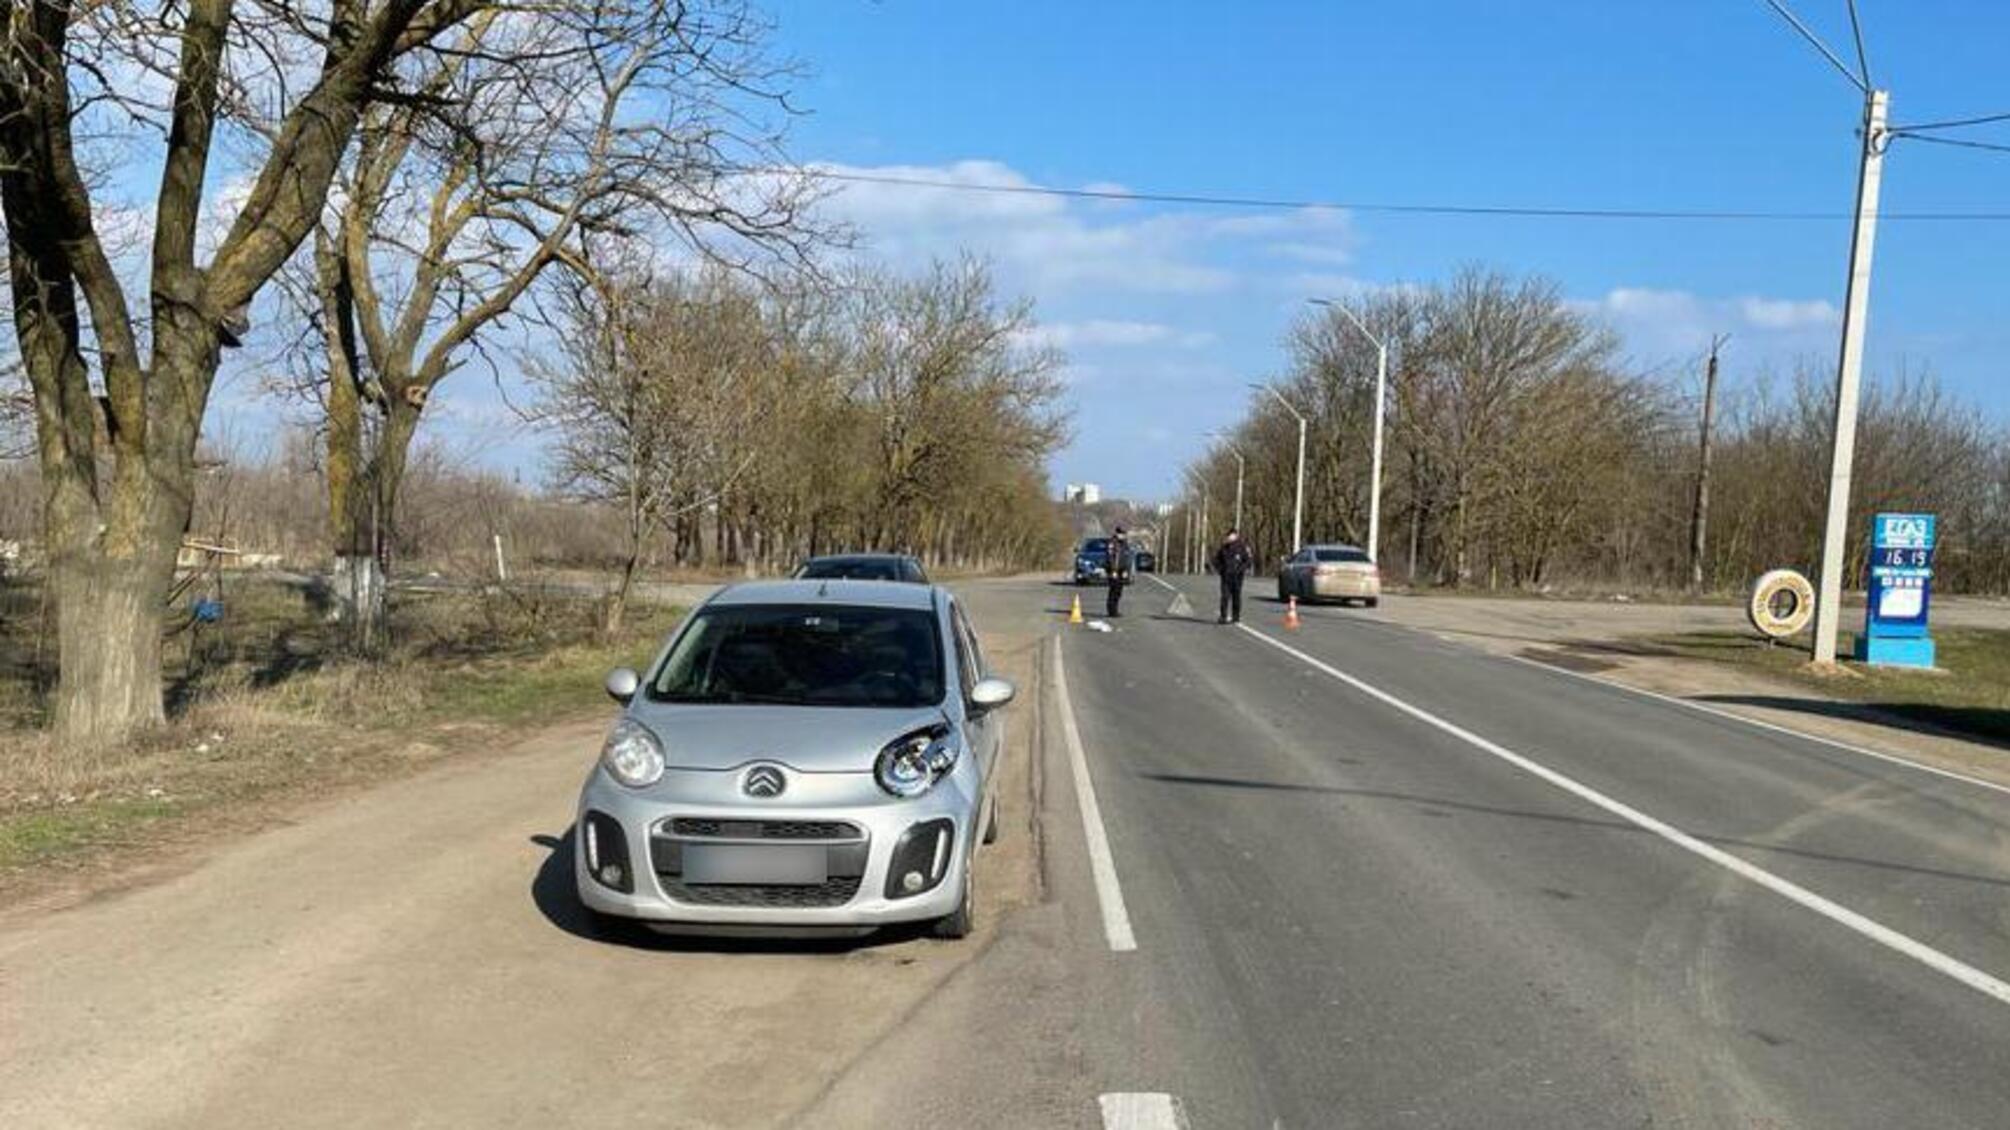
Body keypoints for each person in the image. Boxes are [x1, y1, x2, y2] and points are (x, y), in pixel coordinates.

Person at [1213, 528, 1253, 624]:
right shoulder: (1224, 548)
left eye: (1232, 535)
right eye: (1229, 535)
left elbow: (1248, 561)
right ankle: (1223, 616)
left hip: (1237, 577)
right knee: (1225, 597)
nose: (1229, 537)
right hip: (1226, 577)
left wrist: (1241, 570)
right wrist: (1221, 570)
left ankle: (1236, 617)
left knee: (1236, 597)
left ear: (1236, 536)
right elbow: (1216, 560)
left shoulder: (1242, 547)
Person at [1103, 527, 1134, 618]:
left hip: (1121, 570)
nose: (1123, 536)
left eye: (1124, 534)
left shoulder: (1125, 544)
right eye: (1121, 534)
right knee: (1114, 590)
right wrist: (1113, 570)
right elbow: (1110, 558)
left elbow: (1127, 558)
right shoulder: (1112, 543)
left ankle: (1115, 609)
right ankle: (1111, 611)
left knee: (1119, 591)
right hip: (1114, 570)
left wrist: (1126, 570)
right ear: (1117, 533)